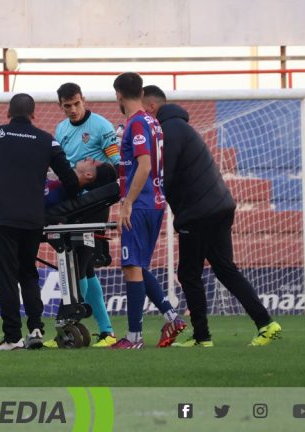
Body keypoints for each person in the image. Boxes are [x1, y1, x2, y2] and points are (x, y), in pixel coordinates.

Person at [142, 85, 282, 347]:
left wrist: (143, 196)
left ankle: (202, 337)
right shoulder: (181, 127)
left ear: (150, 107)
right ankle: (266, 324)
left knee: (188, 273)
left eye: (143, 109)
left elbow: (165, 177)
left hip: (198, 213)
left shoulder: (168, 130)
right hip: (219, 206)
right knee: (225, 269)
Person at [0, 93, 81, 351]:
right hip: (32, 219)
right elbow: (70, 180)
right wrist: (68, 207)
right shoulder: (47, 141)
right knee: (28, 272)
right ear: (34, 114)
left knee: (5, 276)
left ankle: (12, 337)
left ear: (8, 112)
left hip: (2, 217)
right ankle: (36, 327)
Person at [111, 72, 187, 349]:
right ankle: (172, 317)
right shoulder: (153, 122)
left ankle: (134, 338)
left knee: (132, 268)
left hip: (140, 204)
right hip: (154, 202)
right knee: (138, 266)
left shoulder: (138, 123)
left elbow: (143, 165)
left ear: (118, 94)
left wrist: (127, 203)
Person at [47, 82, 121, 348]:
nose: (73, 110)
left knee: (80, 263)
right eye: (67, 106)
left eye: (76, 104)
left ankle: (66, 326)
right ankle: (107, 332)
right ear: (61, 106)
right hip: (74, 204)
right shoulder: (61, 129)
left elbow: (116, 166)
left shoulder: (102, 126)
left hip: (97, 202)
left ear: (83, 100)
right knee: (86, 268)